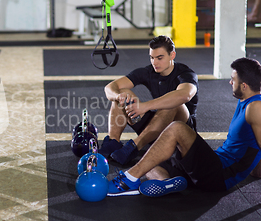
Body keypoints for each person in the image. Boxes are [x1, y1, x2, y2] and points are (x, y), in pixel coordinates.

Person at [107, 57, 261, 197]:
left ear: (245, 85)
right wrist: (256, 171)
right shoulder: (247, 102)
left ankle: (128, 180)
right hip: (214, 163)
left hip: (220, 174)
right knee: (151, 162)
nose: (230, 82)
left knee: (177, 128)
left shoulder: (255, 106)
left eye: (233, 80)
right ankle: (169, 182)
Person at [100, 35, 198, 165]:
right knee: (123, 93)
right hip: (158, 127)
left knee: (174, 104)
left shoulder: (186, 74)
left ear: (172, 55)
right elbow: (110, 88)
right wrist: (119, 96)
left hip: (183, 132)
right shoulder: (149, 71)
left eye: (160, 58)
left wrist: (145, 106)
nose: (155, 62)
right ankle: (113, 143)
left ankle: (134, 147)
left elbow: (184, 95)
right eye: (152, 57)